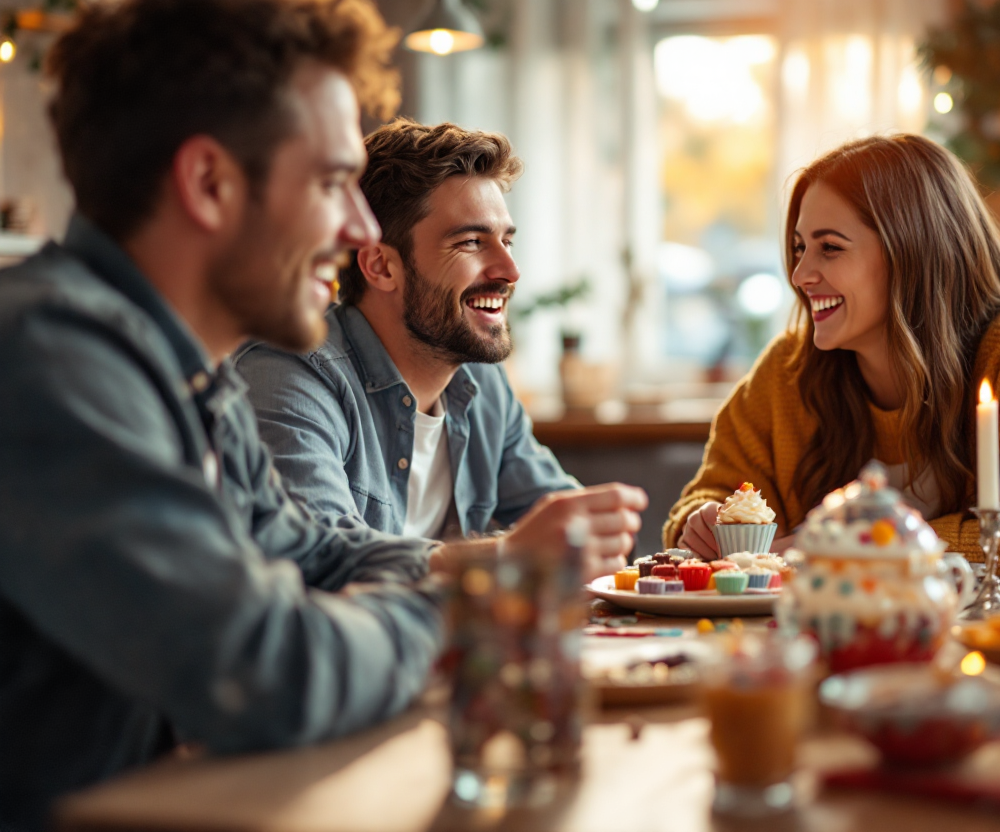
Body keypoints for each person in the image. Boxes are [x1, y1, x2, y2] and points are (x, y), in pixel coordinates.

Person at [0, 2, 643, 828]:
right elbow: (268, 668)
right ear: (209, 183)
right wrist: (485, 593)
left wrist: (481, 571)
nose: (359, 232)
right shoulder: (51, 362)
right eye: (334, 182)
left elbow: (312, 551)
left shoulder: (183, 371)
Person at [664, 134, 1000, 580]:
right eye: (798, 247)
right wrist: (702, 523)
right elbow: (705, 499)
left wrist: (856, 544)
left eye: (829, 247)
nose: (800, 274)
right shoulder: (787, 369)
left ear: (912, 250)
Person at [236, 118, 578, 539]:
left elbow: (568, 523)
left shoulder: (482, 382)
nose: (510, 271)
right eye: (470, 242)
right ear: (381, 266)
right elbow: (318, 555)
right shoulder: (289, 377)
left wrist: (665, 537)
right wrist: (498, 562)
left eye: (506, 241)